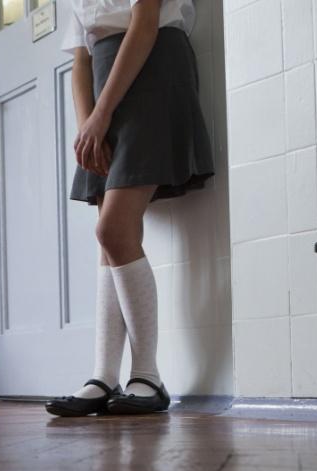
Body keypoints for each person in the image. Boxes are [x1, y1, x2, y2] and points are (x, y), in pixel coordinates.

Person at [45, 0, 213, 418]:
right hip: (105, 83)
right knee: (109, 243)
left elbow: (146, 20)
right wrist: (89, 125)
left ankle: (148, 376)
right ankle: (104, 375)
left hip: (152, 68)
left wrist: (101, 115)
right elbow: (81, 59)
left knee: (112, 232)